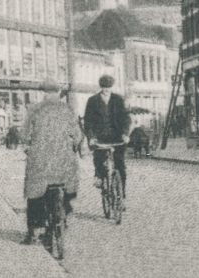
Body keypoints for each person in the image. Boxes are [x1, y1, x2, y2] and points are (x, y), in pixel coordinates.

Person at [21, 78, 81, 245]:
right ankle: (65, 213)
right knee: (68, 185)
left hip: (40, 161)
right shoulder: (67, 109)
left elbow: (24, 134)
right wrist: (74, 145)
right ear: (58, 93)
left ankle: (34, 232)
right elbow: (77, 134)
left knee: (34, 194)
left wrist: (27, 145)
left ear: (44, 93)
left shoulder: (34, 109)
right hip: (63, 162)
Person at [83, 74, 131, 198]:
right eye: (104, 87)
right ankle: (99, 177)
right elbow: (88, 122)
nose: (106, 90)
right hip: (100, 138)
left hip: (117, 137)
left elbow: (126, 118)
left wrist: (125, 134)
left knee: (120, 165)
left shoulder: (118, 100)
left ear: (112, 87)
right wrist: (91, 137)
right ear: (101, 87)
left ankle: (122, 193)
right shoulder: (92, 101)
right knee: (99, 160)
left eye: (108, 87)